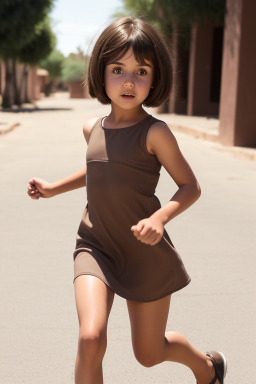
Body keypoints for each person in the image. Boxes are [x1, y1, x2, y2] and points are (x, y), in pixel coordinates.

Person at [27, 16, 227, 384]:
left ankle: (208, 367)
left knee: (149, 354)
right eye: (118, 69)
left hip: (142, 252)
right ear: (101, 72)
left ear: (155, 78)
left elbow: (190, 186)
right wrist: (54, 188)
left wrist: (160, 219)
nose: (129, 81)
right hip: (96, 244)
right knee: (90, 338)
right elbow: (101, 169)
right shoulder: (92, 128)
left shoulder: (155, 133)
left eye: (142, 71)